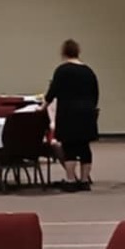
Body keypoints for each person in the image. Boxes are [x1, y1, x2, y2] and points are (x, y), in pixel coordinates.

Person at [45, 39, 99, 189]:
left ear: (63, 52)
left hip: (68, 112)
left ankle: (71, 180)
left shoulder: (62, 70)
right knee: (84, 147)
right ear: (78, 52)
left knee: (69, 147)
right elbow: (95, 93)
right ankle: (84, 181)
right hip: (87, 112)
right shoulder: (88, 71)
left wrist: (43, 106)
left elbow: (52, 92)